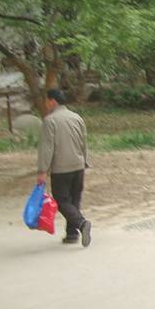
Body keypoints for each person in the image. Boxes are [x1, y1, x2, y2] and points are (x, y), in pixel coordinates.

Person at [36, 88, 92, 246]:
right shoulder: (77, 118)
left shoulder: (50, 120)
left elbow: (46, 148)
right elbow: (83, 142)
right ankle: (72, 233)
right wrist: (84, 161)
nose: (45, 104)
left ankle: (81, 224)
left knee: (61, 201)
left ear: (52, 101)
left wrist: (42, 171)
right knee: (74, 200)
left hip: (61, 168)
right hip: (78, 165)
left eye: (46, 101)